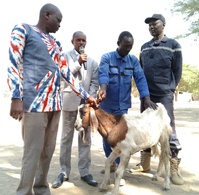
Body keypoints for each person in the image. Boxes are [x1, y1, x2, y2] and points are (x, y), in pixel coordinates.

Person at [7, 4, 97, 195]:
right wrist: (16, 96)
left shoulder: (56, 43)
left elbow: (65, 73)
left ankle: (41, 189)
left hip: (55, 104)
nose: (59, 25)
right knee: (32, 152)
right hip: (34, 104)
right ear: (46, 15)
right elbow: (13, 63)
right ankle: (23, 192)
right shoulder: (24, 30)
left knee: (47, 152)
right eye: (58, 20)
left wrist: (86, 95)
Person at [130, 14, 184, 185]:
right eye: (150, 25)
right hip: (147, 96)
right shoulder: (144, 47)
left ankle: (173, 168)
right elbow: (140, 71)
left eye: (155, 24)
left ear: (164, 25)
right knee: (144, 128)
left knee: (168, 129)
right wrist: (143, 94)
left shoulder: (173, 45)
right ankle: (145, 164)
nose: (152, 27)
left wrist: (170, 88)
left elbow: (177, 70)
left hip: (164, 94)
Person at [97, 31, 157, 184]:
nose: (127, 50)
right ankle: (110, 162)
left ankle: (118, 168)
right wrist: (103, 89)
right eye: (125, 46)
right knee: (107, 137)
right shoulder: (107, 58)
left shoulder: (133, 61)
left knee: (120, 138)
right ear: (118, 43)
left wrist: (146, 98)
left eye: (130, 47)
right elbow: (103, 75)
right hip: (107, 105)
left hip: (122, 106)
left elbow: (140, 78)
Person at [51, 31, 99, 188]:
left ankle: (84, 172)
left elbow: (94, 82)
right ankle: (64, 172)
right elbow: (62, 76)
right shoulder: (64, 56)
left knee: (85, 139)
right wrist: (78, 62)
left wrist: (89, 99)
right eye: (78, 40)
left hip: (85, 106)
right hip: (69, 103)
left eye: (84, 40)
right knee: (66, 138)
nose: (81, 43)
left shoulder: (92, 62)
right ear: (72, 41)